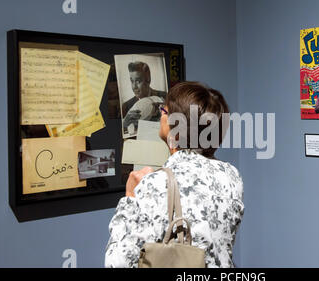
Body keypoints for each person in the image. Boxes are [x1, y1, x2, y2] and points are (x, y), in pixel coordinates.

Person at [105, 82, 244, 268]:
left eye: (164, 111)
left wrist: (129, 198)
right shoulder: (231, 176)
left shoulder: (155, 183)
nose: (161, 116)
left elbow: (117, 263)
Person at [122, 61, 168, 133]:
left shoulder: (166, 97)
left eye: (138, 81)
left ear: (148, 79)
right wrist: (124, 125)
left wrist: (165, 111)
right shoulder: (126, 106)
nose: (134, 87)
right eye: (132, 81)